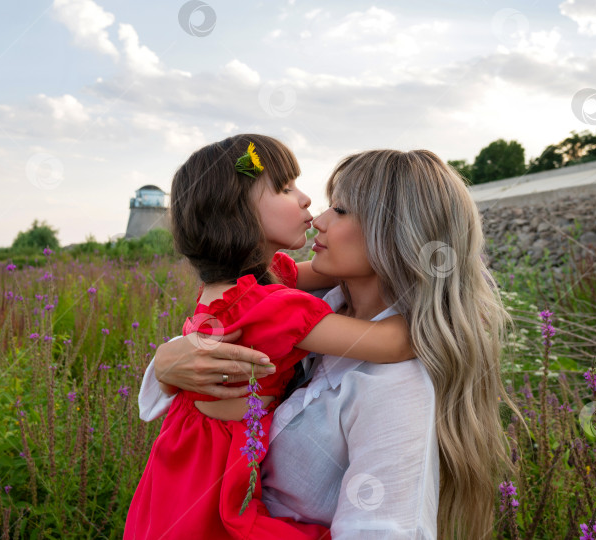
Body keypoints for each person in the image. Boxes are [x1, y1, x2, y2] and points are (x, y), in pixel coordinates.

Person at [140, 149, 525, 539]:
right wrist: (165, 365)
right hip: (199, 489)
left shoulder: (394, 385)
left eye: (340, 210)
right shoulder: (299, 305)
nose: (318, 217)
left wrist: (446, 314)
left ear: (393, 235)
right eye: (285, 190)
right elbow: (246, 325)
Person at [123, 135, 416, 540]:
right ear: (237, 214)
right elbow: (393, 342)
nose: (306, 200)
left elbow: (329, 270)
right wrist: (443, 299)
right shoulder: (271, 306)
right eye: (283, 188)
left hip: (182, 450)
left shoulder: (246, 285)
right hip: (214, 464)